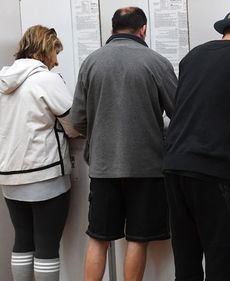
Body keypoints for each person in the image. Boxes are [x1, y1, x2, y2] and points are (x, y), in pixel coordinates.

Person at [70, 7, 177, 281]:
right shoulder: (156, 62)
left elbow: (77, 120)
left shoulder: (91, 63)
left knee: (98, 237)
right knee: (138, 239)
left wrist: (101, 135)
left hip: (103, 166)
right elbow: (179, 111)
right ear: (143, 29)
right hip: (146, 167)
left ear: (113, 28)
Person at [163, 9, 230, 281]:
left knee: (186, 259)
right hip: (213, 169)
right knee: (220, 260)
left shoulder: (193, 56)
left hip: (175, 166)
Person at [0, 25, 80, 281]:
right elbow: (75, 125)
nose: (56, 62)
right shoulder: (46, 79)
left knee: (22, 240)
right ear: (45, 51)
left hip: (10, 176)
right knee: (46, 245)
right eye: (56, 53)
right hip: (44, 175)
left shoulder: (3, 81)